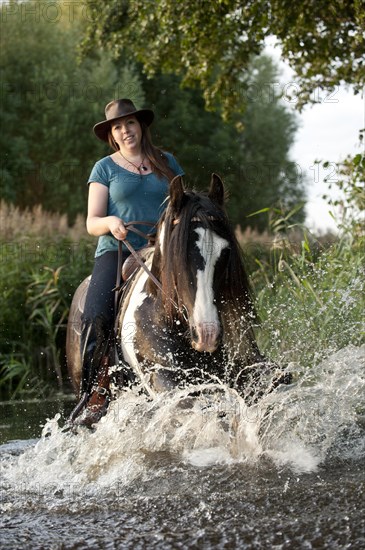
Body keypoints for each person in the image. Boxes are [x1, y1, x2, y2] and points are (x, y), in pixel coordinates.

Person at [76, 98, 184, 426]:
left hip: (165, 249)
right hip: (118, 250)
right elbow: (91, 222)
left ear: (141, 126)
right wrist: (110, 222)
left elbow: (184, 205)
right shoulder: (104, 168)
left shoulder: (167, 163)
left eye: (130, 124)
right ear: (112, 134)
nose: (126, 131)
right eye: (118, 127)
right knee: (95, 314)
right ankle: (93, 392)